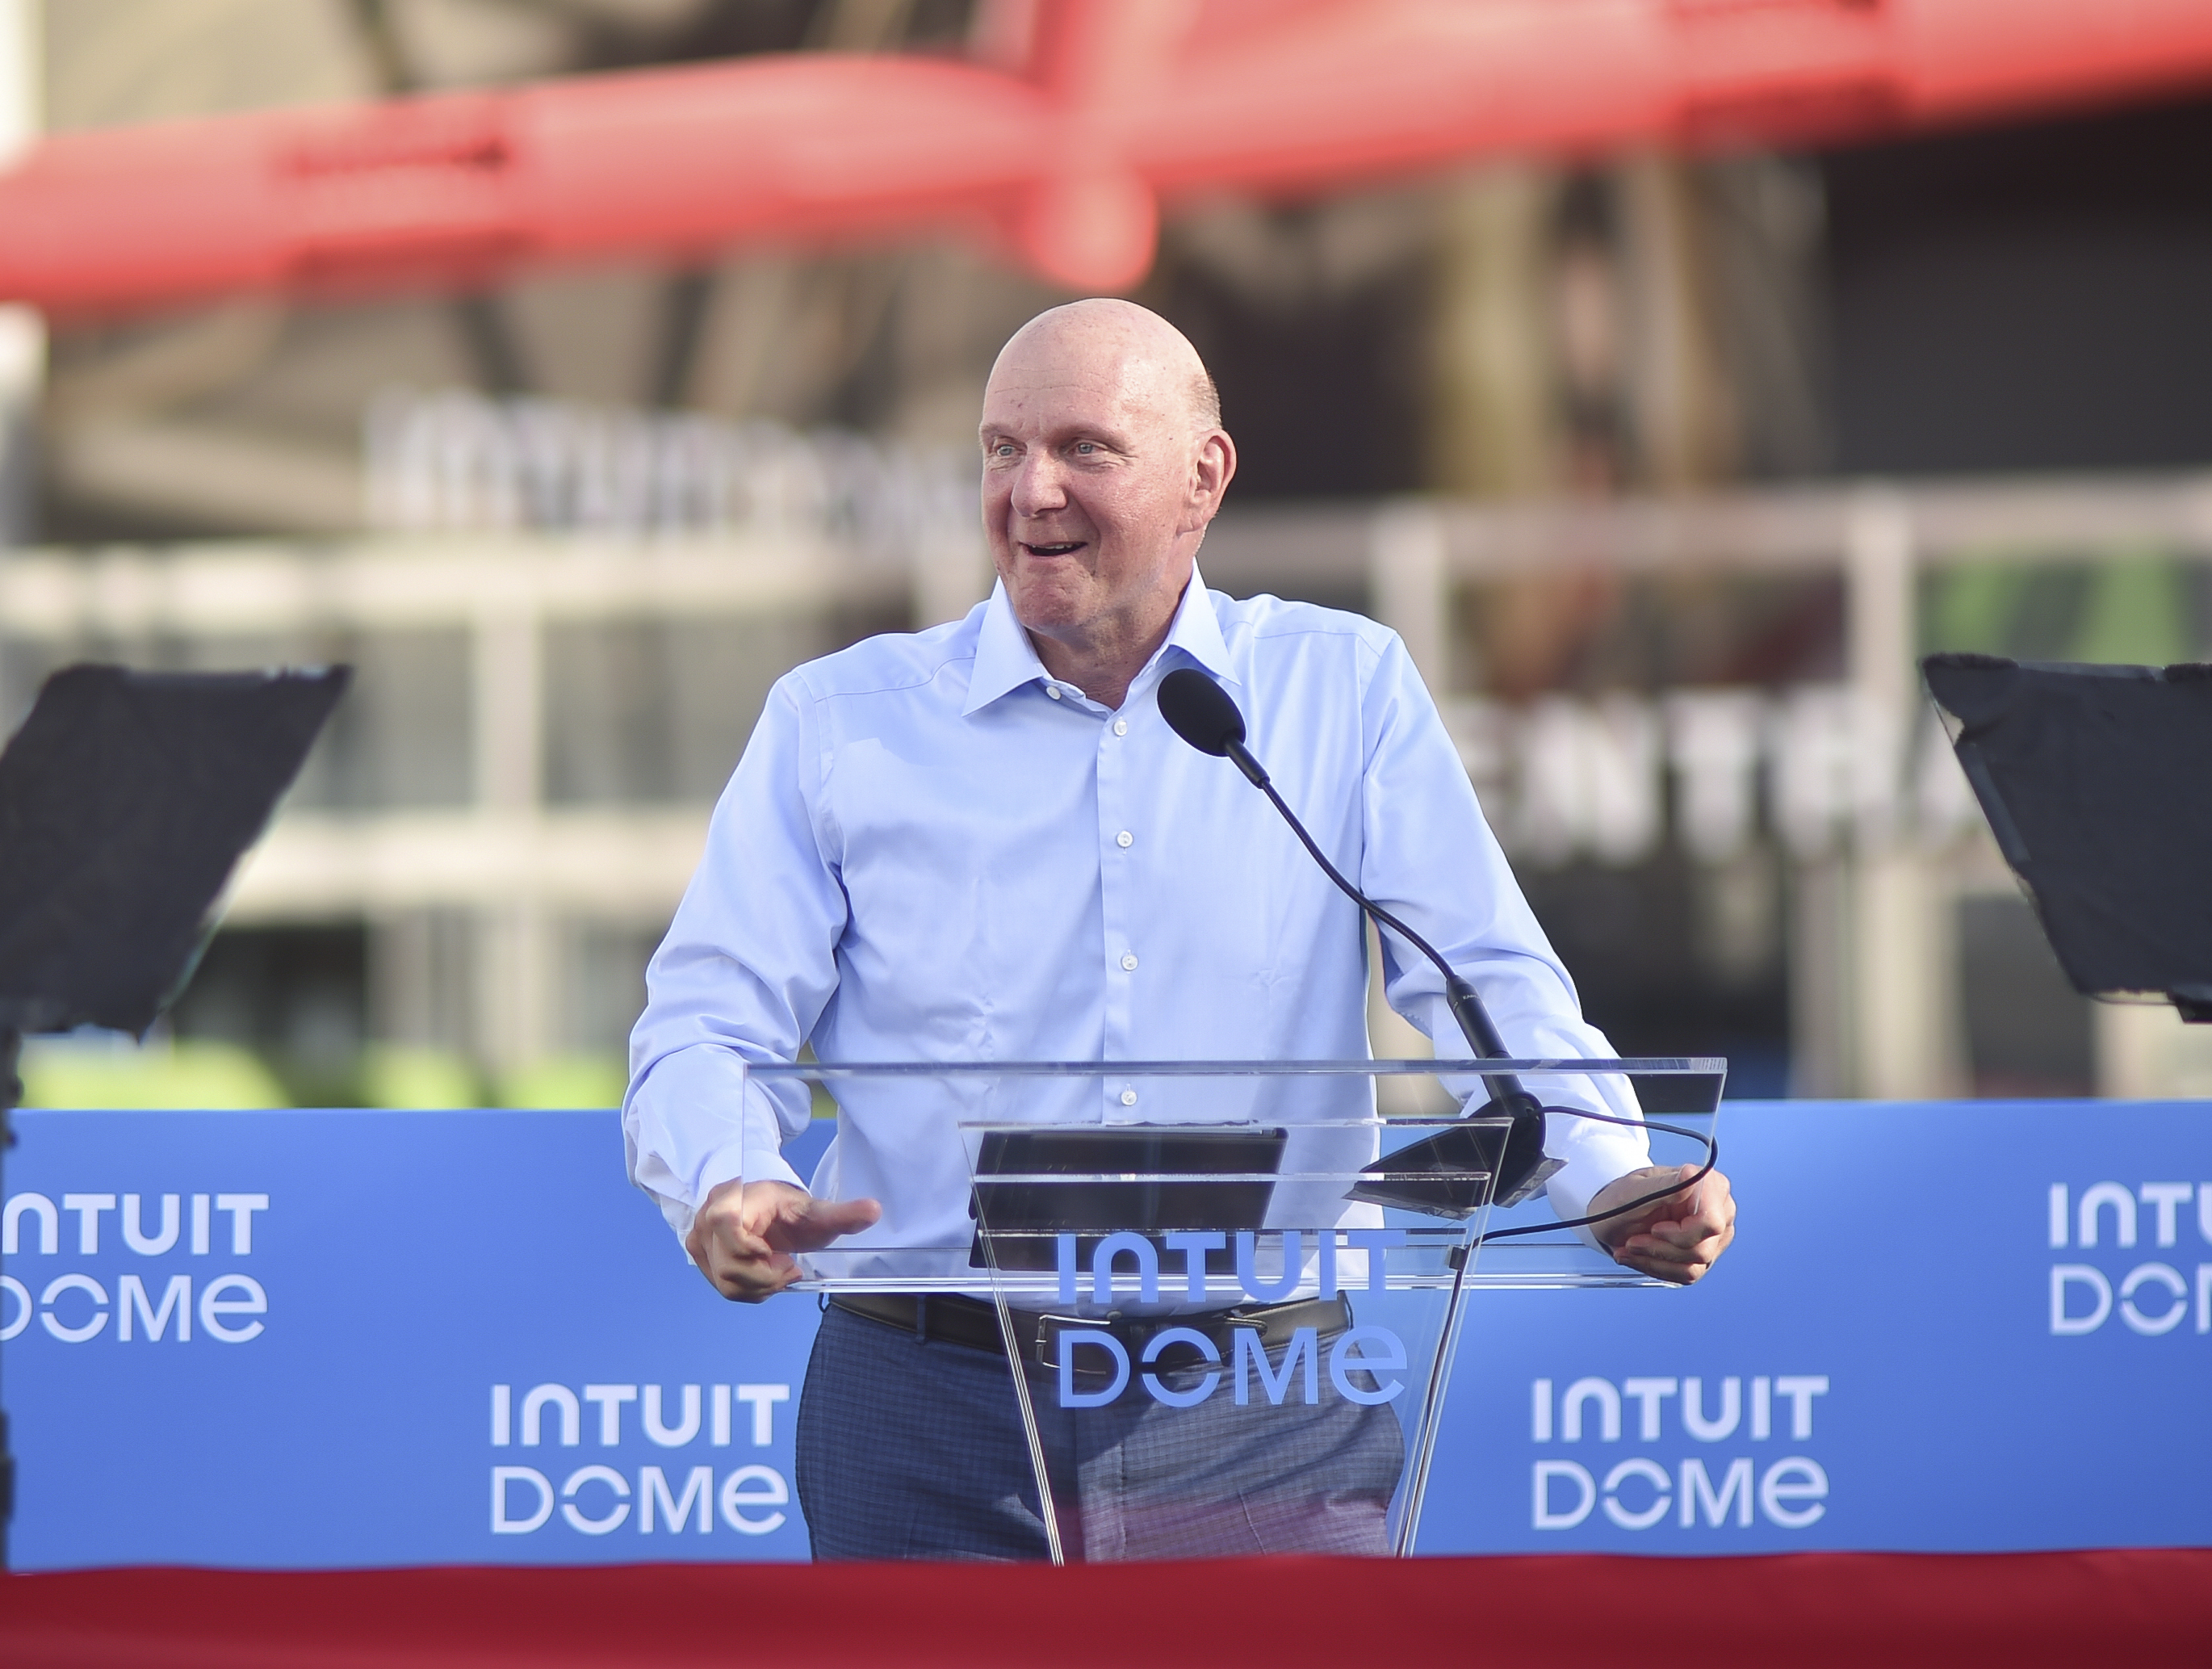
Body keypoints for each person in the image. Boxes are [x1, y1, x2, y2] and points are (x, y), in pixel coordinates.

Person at [625, 298, 1737, 1559]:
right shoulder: (842, 719)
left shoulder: (1340, 688)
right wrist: (727, 1180)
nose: (1029, 490)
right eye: (1000, 449)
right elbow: (711, 1021)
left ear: (1202, 478)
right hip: (929, 1398)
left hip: (1263, 1399)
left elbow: (1479, 980)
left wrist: (1606, 1169)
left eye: (1083, 449)